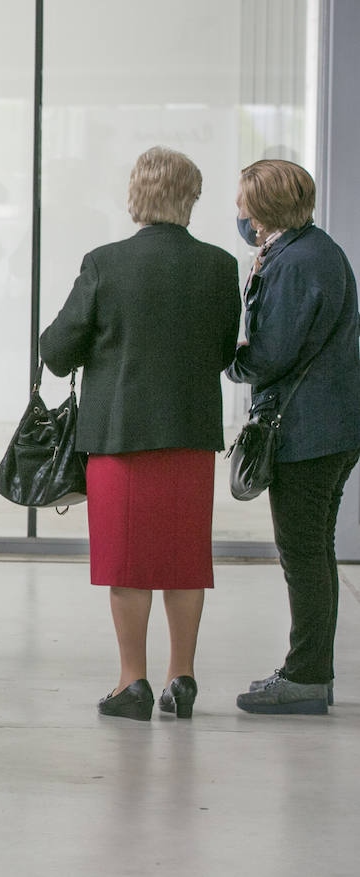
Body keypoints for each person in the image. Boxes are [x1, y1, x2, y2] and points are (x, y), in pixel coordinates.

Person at [40, 147, 240, 721]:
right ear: (190, 197)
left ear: (136, 195)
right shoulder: (220, 266)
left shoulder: (104, 262)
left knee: (127, 562)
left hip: (120, 437)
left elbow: (56, 351)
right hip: (191, 433)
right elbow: (226, 354)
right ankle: (183, 677)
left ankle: (133, 682)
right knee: (184, 558)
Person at [227, 159, 360, 715]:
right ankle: (310, 672)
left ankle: (305, 677)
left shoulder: (297, 262)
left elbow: (272, 353)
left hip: (308, 431)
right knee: (314, 551)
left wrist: (234, 364)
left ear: (260, 209)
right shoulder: (313, 249)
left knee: (302, 553)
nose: (238, 212)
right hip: (331, 424)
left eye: (242, 203)